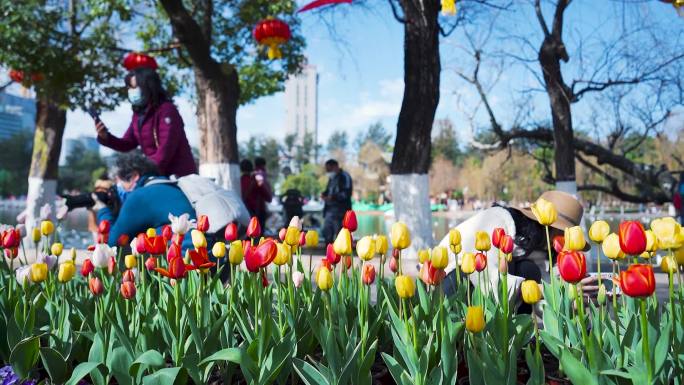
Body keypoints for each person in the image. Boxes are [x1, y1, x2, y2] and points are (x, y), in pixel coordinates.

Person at [439, 190, 599, 314]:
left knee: (529, 270)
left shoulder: (540, 243)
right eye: (565, 232)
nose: (568, 241)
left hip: (485, 291)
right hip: (449, 285)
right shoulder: (497, 220)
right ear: (551, 227)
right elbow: (487, 281)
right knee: (471, 276)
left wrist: (574, 299)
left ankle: (515, 335)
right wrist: (553, 291)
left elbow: (544, 293)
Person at [95, 59, 197, 178]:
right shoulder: (138, 115)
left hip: (178, 176)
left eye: (133, 87)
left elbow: (167, 147)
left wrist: (147, 172)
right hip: (155, 174)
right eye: (128, 88)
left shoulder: (166, 110)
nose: (130, 91)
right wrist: (106, 137)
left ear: (147, 86)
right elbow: (127, 143)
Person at [95, 152, 195, 248]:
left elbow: (112, 243)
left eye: (118, 181)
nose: (117, 188)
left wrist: (103, 209)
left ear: (134, 176)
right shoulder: (169, 185)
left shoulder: (138, 196)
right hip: (201, 253)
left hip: (183, 258)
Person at [321, 159, 353, 244]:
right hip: (329, 211)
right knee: (327, 235)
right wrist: (324, 194)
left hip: (340, 213)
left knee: (340, 237)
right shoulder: (331, 178)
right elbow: (328, 190)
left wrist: (333, 197)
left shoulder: (345, 176)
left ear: (335, 166)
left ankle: (340, 256)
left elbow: (346, 193)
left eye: (329, 169)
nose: (328, 172)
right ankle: (328, 254)